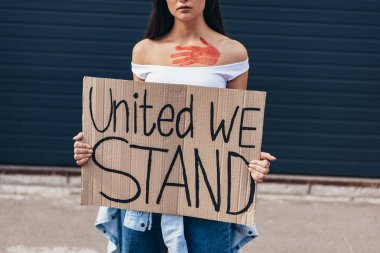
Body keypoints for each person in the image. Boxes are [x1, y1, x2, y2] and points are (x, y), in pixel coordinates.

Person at [73, 0, 276, 252]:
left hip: (209, 198)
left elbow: (234, 130)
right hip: (145, 199)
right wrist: (94, 148)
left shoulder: (232, 53)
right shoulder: (144, 51)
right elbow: (135, 126)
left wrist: (252, 161)